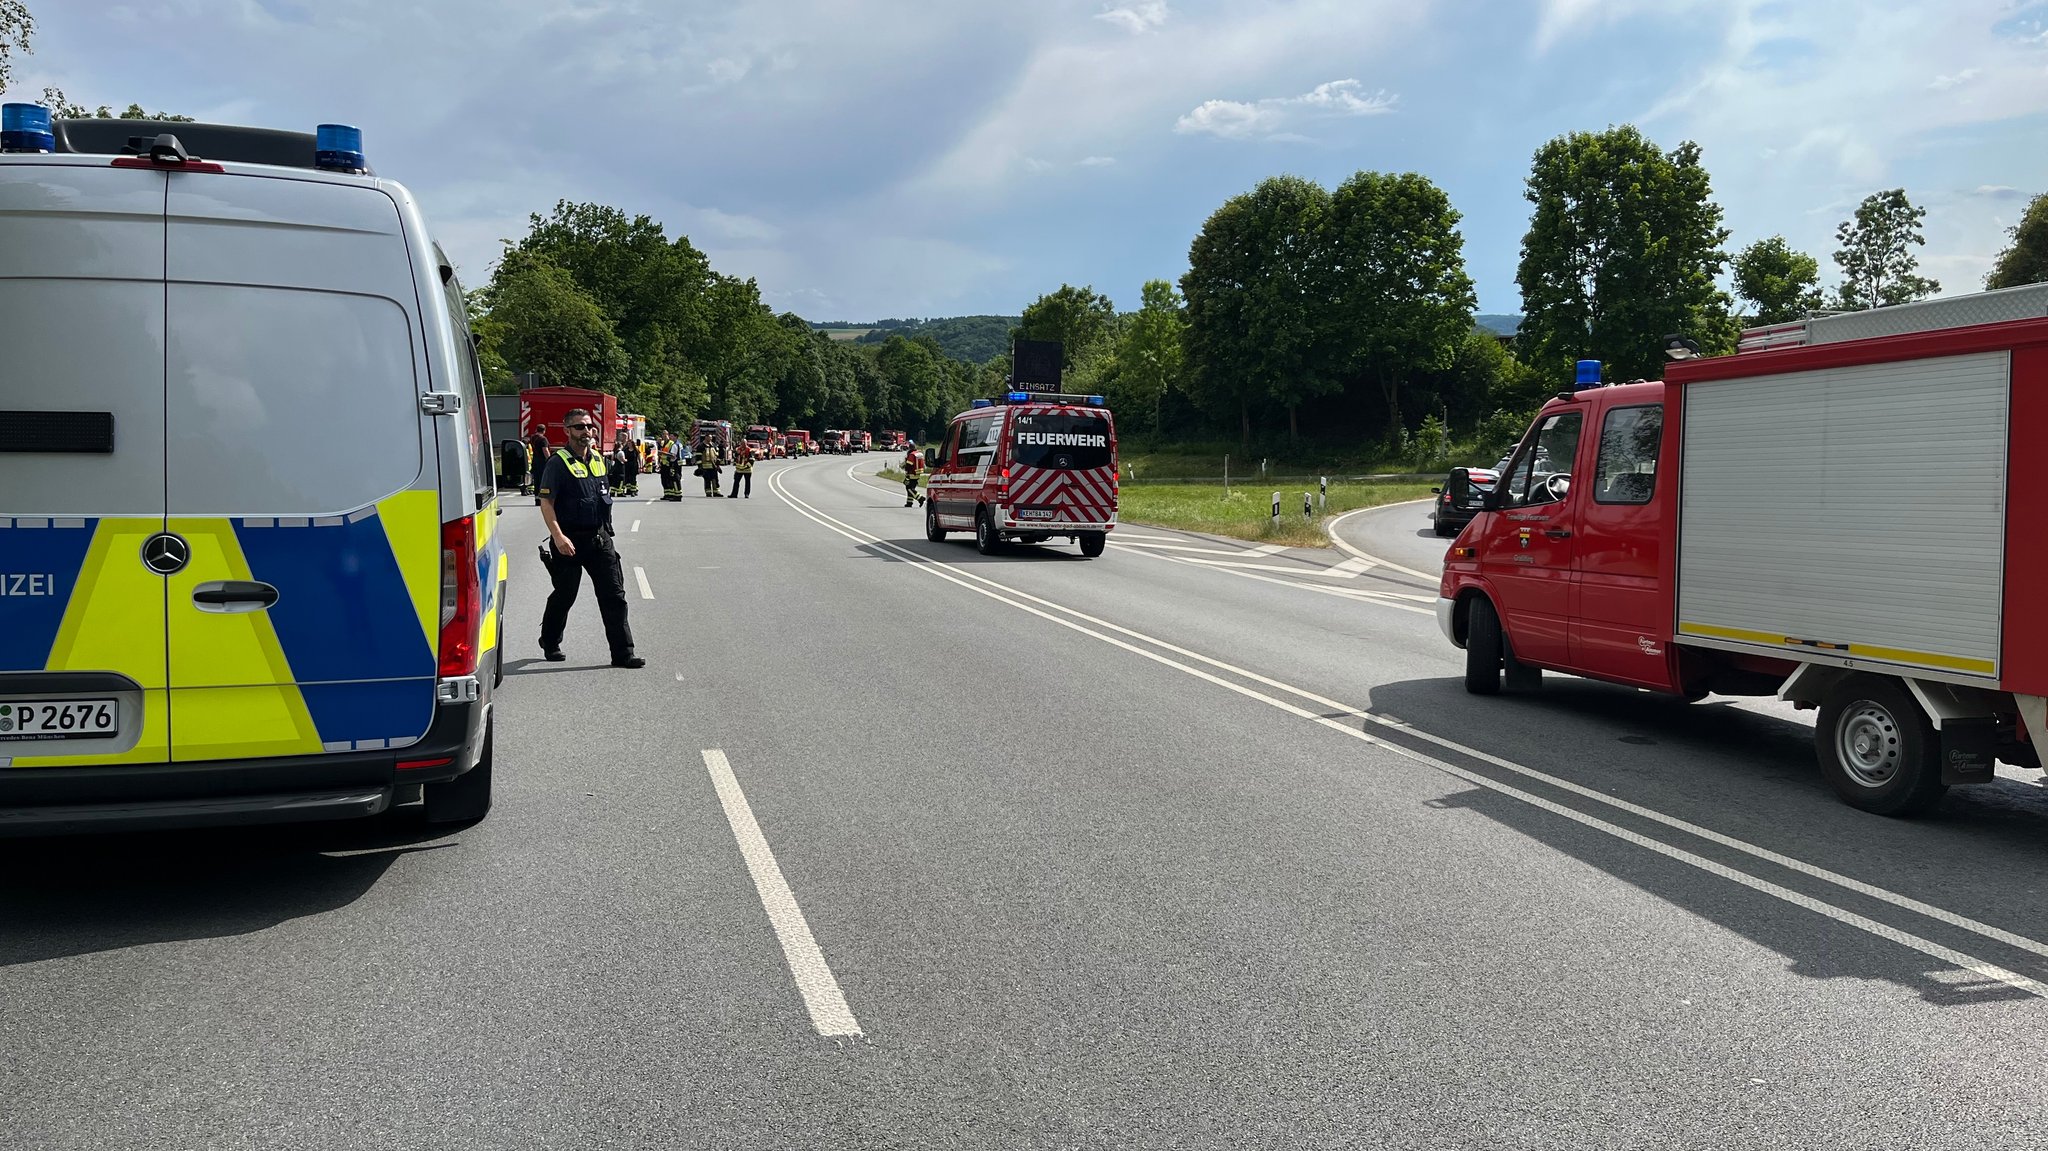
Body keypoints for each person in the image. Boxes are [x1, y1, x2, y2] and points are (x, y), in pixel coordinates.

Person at [535, 409, 643, 669]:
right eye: (579, 427)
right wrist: (558, 536)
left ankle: (623, 654)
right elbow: (546, 502)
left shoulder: (598, 459)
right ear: (567, 431)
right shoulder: (558, 462)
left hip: (598, 539)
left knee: (614, 596)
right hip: (568, 541)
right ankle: (550, 641)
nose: (586, 432)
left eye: (589, 427)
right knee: (565, 594)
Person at [526, 425, 551, 505]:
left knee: (537, 481)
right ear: (544, 431)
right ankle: (543, 499)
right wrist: (550, 460)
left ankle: (537, 499)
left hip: (535, 461)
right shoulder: (543, 439)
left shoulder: (533, 438)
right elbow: (545, 450)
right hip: (542, 462)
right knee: (543, 480)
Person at [658, 431, 684, 501]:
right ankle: (673, 494)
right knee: (673, 480)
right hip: (674, 464)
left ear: (675, 437)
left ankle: (677, 495)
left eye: (671, 436)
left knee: (674, 480)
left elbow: (673, 455)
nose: (670, 437)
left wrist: (662, 453)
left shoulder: (674, 444)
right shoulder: (679, 444)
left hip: (673, 464)